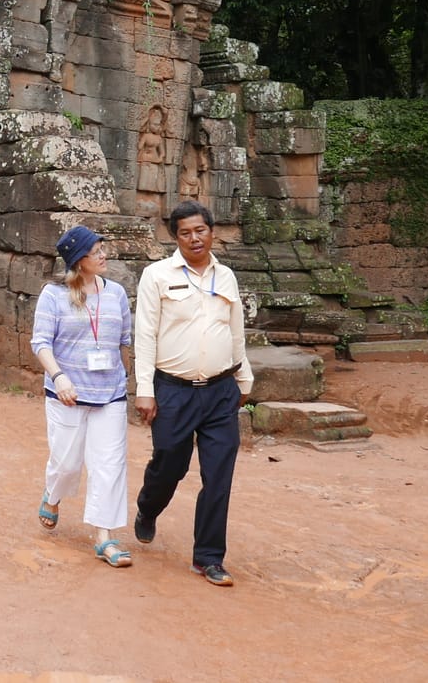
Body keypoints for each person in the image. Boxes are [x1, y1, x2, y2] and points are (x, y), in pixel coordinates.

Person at [132, 200, 253, 587]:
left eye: (200, 230)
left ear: (211, 231)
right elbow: (145, 335)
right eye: (185, 232)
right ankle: (148, 508)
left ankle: (208, 557)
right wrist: (145, 390)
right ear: (175, 237)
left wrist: (243, 378)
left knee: (219, 475)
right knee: (170, 464)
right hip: (173, 391)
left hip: (220, 390)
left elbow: (235, 331)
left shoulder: (227, 277)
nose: (194, 238)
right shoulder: (156, 276)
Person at [31, 225, 135, 567]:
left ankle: (104, 537)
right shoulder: (54, 295)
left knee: (109, 465)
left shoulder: (116, 293)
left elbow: (123, 340)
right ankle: (54, 493)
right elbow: (41, 343)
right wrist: (58, 377)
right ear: (79, 261)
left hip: (110, 394)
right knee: (67, 462)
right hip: (67, 394)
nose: (103, 255)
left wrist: (126, 378)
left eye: (103, 248)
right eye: (95, 252)